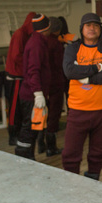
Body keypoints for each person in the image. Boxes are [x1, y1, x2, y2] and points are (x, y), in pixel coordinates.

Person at [62, 12, 102, 180]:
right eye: (88, 25)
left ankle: (93, 180)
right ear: (82, 29)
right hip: (78, 109)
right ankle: (71, 181)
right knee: (70, 153)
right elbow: (69, 71)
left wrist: (84, 78)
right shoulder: (73, 48)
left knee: (97, 152)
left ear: (100, 29)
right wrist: (95, 68)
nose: (92, 28)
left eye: (95, 25)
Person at [14, 13, 52, 160]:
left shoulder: (37, 41)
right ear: (46, 28)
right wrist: (38, 93)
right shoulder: (37, 44)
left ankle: (27, 157)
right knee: (30, 127)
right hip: (32, 96)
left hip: (31, 94)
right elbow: (33, 70)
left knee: (33, 127)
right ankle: (23, 156)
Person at [4, 12, 37, 146]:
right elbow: (17, 56)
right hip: (16, 77)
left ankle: (16, 134)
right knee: (14, 108)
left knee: (18, 108)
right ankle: (13, 135)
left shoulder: (25, 34)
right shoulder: (20, 34)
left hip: (21, 75)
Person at [39, 17, 66, 156]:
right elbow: (59, 65)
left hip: (43, 84)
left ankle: (40, 144)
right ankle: (51, 147)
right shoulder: (56, 44)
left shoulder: (40, 42)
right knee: (54, 115)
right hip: (55, 83)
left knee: (42, 113)